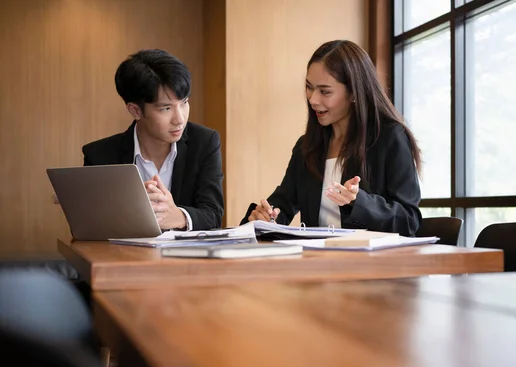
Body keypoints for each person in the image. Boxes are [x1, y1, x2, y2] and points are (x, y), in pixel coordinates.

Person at [241, 40, 422, 235]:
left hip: (371, 262)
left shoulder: (389, 137)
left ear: (354, 93)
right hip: (318, 261)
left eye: (325, 92)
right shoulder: (306, 147)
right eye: (309, 87)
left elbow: (409, 220)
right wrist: (265, 217)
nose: (313, 99)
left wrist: (357, 201)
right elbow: (282, 204)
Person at [82, 49, 224, 231]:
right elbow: (87, 227)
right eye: (166, 108)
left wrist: (179, 216)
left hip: (186, 258)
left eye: (184, 102)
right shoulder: (100, 155)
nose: (180, 119)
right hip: (123, 258)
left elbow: (213, 214)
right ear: (135, 111)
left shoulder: (204, 142)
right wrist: (127, 203)